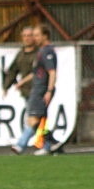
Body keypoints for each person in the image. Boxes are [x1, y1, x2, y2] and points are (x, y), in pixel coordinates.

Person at [11, 25, 62, 155]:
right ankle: (50, 146)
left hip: (41, 89)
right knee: (38, 119)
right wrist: (22, 82)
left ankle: (52, 142)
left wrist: (49, 90)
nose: (34, 38)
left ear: (45, 36)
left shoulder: (47, 51)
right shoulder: (41, 51)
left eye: (37, 35)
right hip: (38, 88)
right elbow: (36, 72)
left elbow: (52, 72)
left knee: (33, 119)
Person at [2, 26, 37, 100]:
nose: (27, 38)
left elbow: (39, 71)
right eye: (24, 36)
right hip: (26, 91)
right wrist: (6, 87)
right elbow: (13, 71)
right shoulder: (20, 55)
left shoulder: (39, 53)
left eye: (29, 36)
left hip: (38, 90)